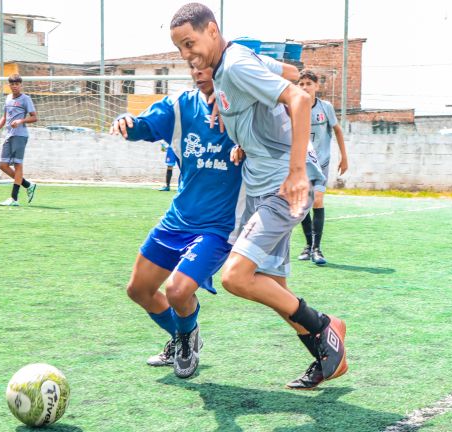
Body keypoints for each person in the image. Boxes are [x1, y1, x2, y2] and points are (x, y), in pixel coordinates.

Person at [170, 2, 347, 390]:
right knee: (274, 289)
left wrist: (298, 171)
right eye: (181, 49)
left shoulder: (234, 66)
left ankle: (326, 327)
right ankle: (326, 355)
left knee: (236, 276)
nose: (187, 55)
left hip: (283, 186)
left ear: (212, 31)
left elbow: (298, 97)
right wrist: (244, 138)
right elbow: (289, 72)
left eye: (190, 43)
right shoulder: (230, 66)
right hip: (261, 184)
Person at [110, 62, 243, 379]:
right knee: (138, 290)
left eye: (207, 66)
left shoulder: (246, 112)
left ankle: (185, 338)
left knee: (178, 291)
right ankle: (183, 335)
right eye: (193, 66)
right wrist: (126, 122)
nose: (198, 71)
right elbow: (144, 126)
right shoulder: (180, 105)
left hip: (218, 226)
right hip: (178, 219)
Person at [296, 69, 348, 265]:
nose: (305, 87)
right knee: (302, 206)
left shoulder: (325, 107)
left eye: (309, 84)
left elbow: (337, 130)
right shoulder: (294, 108)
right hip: (301, 164)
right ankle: (308, 246)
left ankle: (317, 249)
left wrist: (344, 157)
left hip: (321, 163)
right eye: (301, 84)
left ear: (317, 87)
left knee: (317, 200)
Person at [0, 73, 38, 206]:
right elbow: (5, 118)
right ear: (9, 85)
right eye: (12, 84)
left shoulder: (25, 99)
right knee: (3, 165)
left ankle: (14, 198)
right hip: (9, 135)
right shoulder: (8, 99)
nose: (15, 86)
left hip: (20, 135)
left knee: (18, 165)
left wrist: (21, 120)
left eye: (17, 84)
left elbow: (34, 117)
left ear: (21, 85)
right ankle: (28, 185)